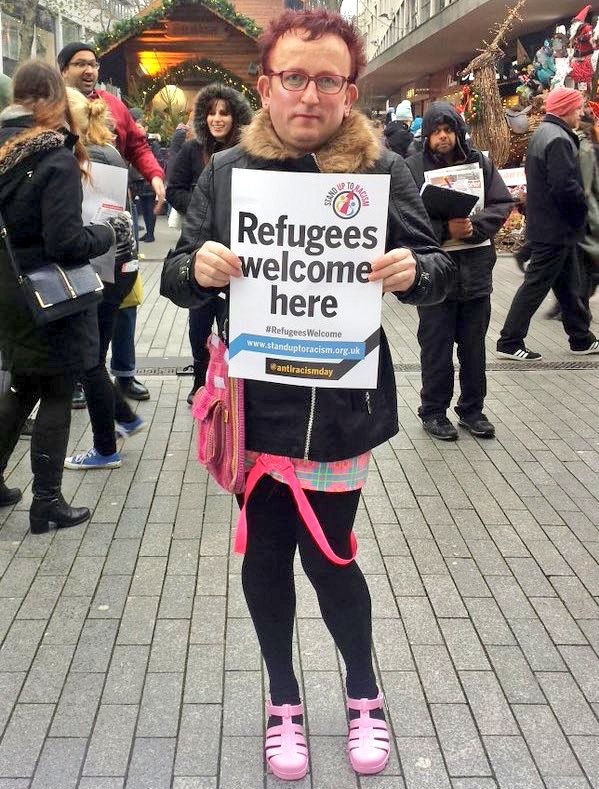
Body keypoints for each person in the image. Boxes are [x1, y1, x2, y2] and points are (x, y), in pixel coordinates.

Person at [161, 8, 454, 780]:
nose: (309, 94)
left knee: (330, 557)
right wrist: (198, 269)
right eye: (294, 76)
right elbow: (175, 275)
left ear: (349, 93)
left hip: (340, 410)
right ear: (265, 86)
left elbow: (437, 266)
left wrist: (413, 271)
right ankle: (282, 699)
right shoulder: (228, 173)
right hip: (254, 412)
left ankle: (362, 691)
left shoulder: (380, 172)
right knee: (264, 555)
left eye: (328, 80)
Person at [0, 60, 114, 531]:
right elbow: (66, 242)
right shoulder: (54, 156)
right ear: (54, 100)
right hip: (52, 297)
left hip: (9, 292)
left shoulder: (5, 149)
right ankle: (46, 501)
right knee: (56, 391)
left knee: (21, 385)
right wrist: (105, 234)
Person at [405, 102, 512, 440]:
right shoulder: (413, 167)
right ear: (427, 135)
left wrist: (474, 227)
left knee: (473, 348)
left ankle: (472, 410)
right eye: (436, 131)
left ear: (458, 132)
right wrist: (444, 230)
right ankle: (433, 411)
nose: (443, 137)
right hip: (435, 278)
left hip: (476, 273)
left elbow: (501, 202)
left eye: (448, 130)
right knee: (436, 348)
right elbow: (405, 217)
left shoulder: (479, 162)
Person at [58, 41, 159, 401]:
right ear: (63, 70)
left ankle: (124, 373)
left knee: (123, 298)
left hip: (113, 216)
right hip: (70, 226)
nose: (89, 70)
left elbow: (139, 147)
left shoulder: (114, 106)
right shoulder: (52, 106)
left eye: (94, 64)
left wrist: (155, 176)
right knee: (75, 302)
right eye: (79, 64)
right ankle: (79, 378)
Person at [61, 88, 144, 471]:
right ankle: (124, 418)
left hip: (101, 269)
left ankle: (105, 447)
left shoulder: (85, 156)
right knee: (93, 358)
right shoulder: (107, 151)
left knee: (90, 362)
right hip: (117, 268)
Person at [497, 87, 599, 360]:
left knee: (567, 286)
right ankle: (509, 341)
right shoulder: (559, 139)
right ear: (566, 109)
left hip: (550, 225)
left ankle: (581, 338)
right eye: (577, 108)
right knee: (536, 285)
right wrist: (583, 208)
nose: (581, 113)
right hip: (556, 227)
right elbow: (564, 187)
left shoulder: (545, 132)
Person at [166, 83, 252, 403]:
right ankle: (200, 380)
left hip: (237, 252)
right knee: (199, 323)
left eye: (224, 113)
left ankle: (230, 384)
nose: (217, 119)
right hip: (200, 249)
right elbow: (174, 190)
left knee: (232, 320)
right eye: (212, 113)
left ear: (236, 117)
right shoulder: (192, 149)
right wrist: (203, 207)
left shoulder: (248, 155)